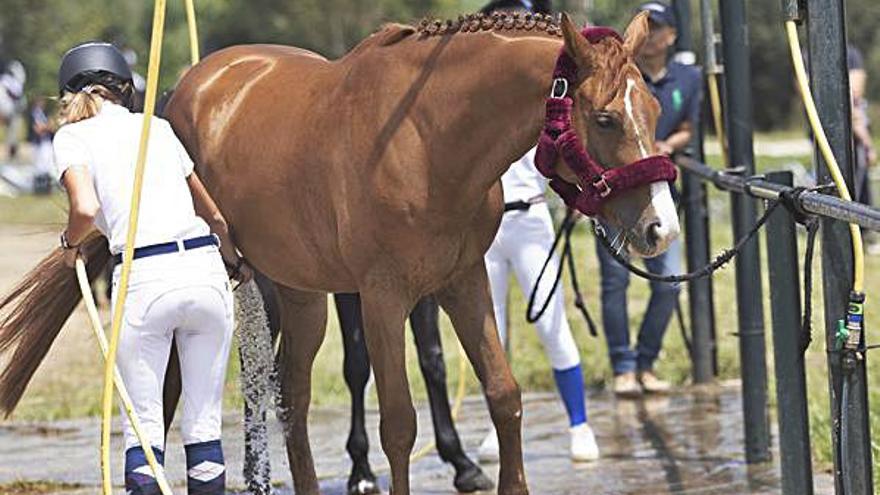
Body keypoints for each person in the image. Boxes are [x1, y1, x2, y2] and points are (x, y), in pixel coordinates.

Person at [53, 42, 252, 494]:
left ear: (68, 93)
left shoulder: (71, 138)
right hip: (205, 274)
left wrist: (70, 244)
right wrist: (234, 260)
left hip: (144, 280)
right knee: (204, 426)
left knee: (144, 428)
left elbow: (84, 208)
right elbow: (215, 217)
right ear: (125, 89)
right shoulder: (156, 128)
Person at [474, 0, 598, 464]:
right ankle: (494, 429)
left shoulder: (545, 93)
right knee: (489, 333)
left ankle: (579, 424)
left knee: (551, 324)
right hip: (481, 223)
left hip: (527, 219)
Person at [594, 1, 700, 398]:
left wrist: (666, 145)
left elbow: (690, 126)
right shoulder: (621, 78)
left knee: (669, 283)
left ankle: (646, 361)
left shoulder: (688, 79)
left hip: (659, 190)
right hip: (620, 190)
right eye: (646, 27)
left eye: (658, 28)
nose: (651, 35)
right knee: (615, 281)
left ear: (672, 35)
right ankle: (622, 366)